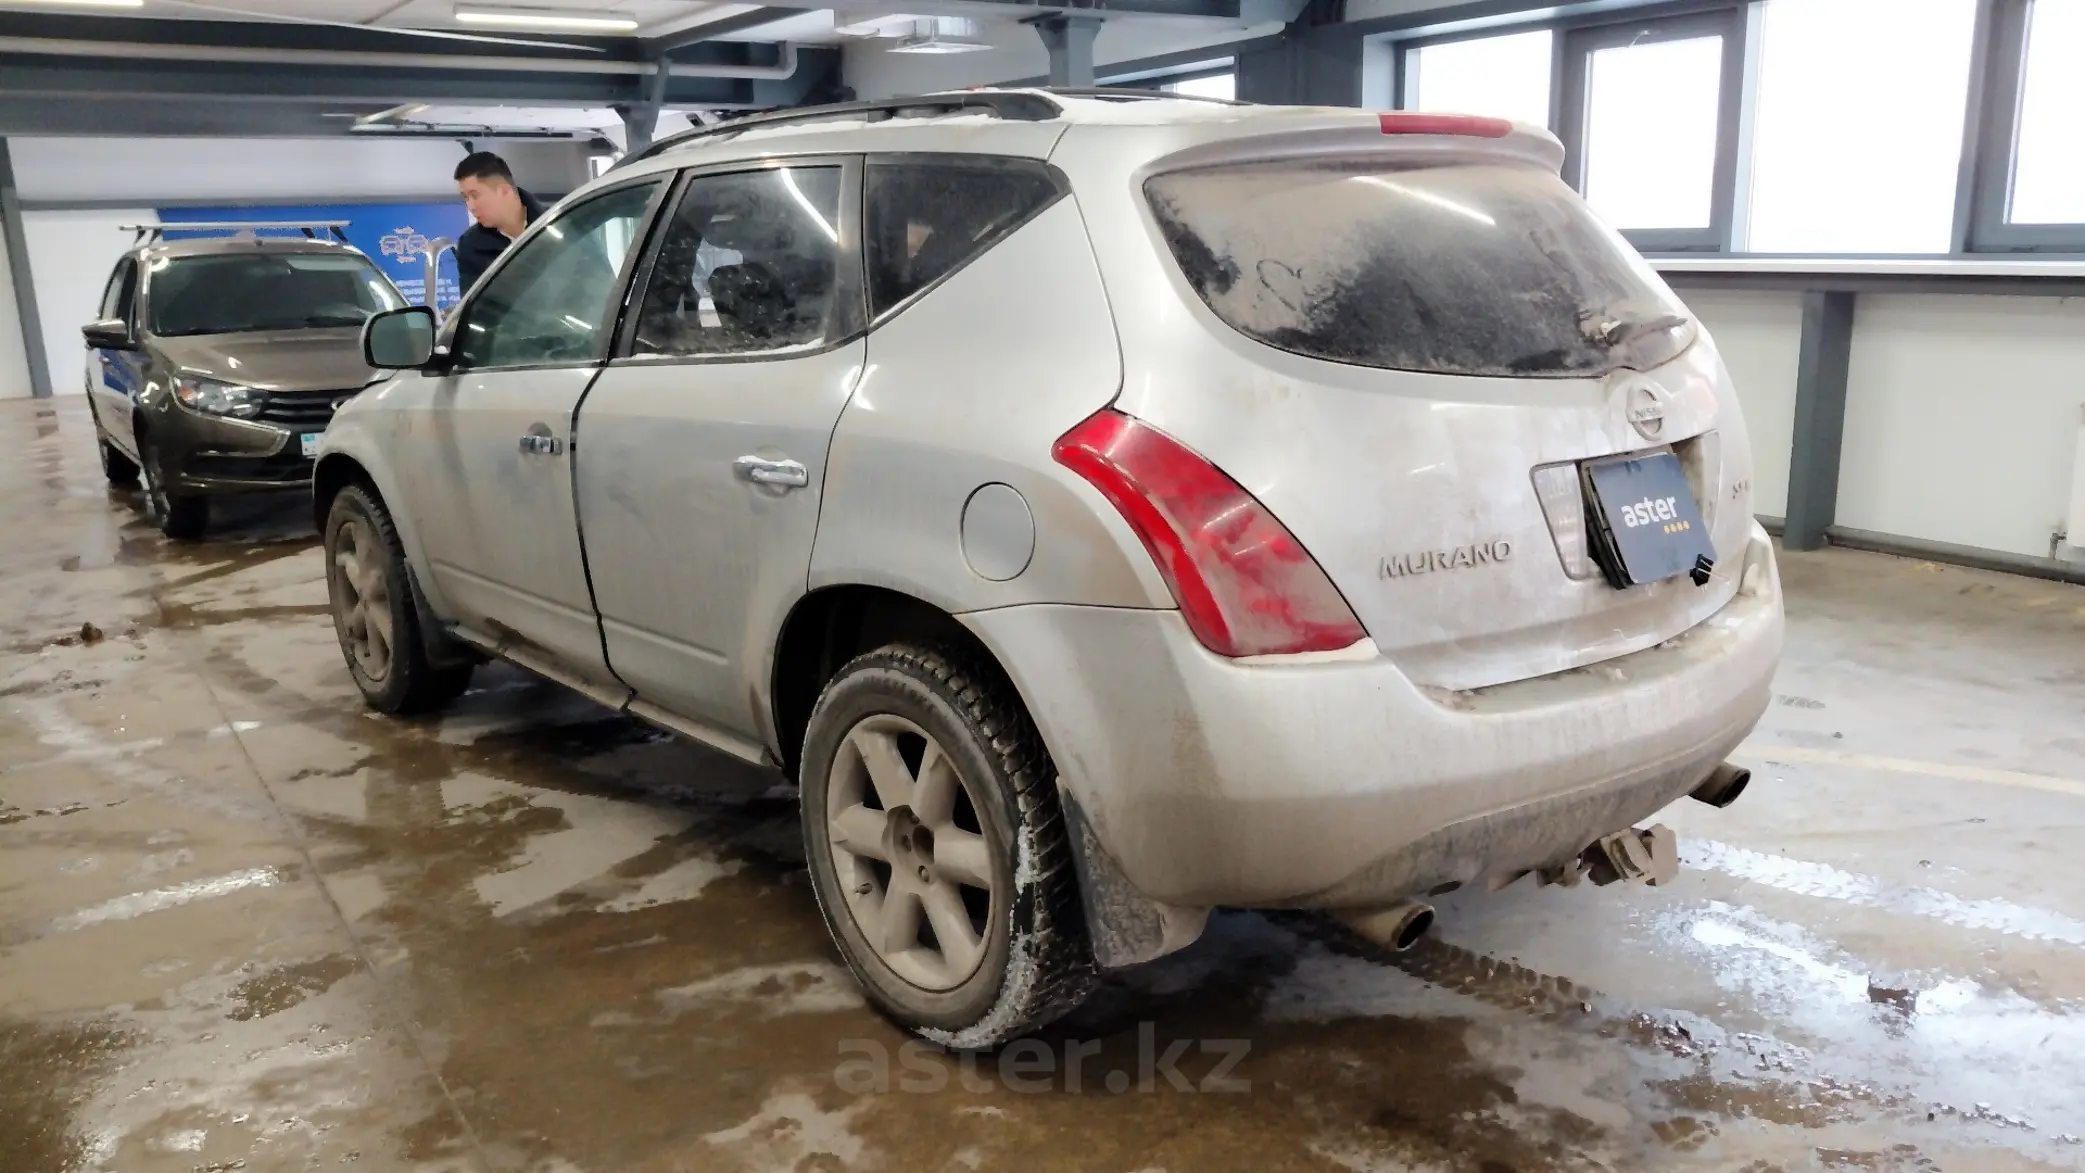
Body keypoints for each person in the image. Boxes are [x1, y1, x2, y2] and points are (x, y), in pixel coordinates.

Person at [452, 151, 545, 293]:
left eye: (475, 196)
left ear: (504, 191)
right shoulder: (470, 245)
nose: (471, 206)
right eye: (466, 198)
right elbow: (475, 303)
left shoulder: (560, 224)